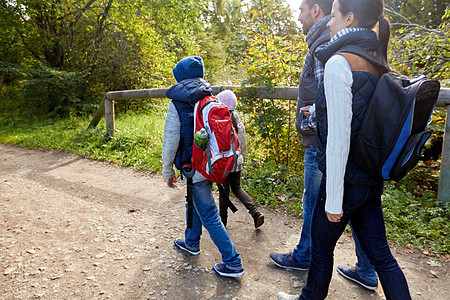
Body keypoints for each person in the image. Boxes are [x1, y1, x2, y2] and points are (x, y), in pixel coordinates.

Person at [278, 0, 412, 299]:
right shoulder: (375, 59)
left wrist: (334, 201)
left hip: (345, 180)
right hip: (369, 177)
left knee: (321, 251)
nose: (328, 22)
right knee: (383, 258)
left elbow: (339, 139)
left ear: (350, 18)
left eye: (335, 15)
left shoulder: (340, 61)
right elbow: (360, 117)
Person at [270, 0, 378, 292]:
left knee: (317, 206)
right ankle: (367, 269)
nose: (298, 16)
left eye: (301, 10)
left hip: (324, 145)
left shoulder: (325, 45)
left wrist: (312, 128)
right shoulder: (347, 45)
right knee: (354, 210)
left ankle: (305, 255)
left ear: (315, 10)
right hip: (347, 153)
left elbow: (331, 104)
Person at [162, 56, 244, 278]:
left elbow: (170, 141)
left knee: (208, 213)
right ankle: (191, 241)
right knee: (194, 202)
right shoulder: (210, 98)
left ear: (180, 79)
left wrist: (167, 170)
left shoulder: (177, 104)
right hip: (210, 163)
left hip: (192, 167)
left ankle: (232, 262)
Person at [215, 90, 264, 229]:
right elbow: (242, 141)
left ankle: (222, 222)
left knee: (224, 192)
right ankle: (255, 212)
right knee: (237, 188)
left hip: (224, 162)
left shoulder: (219, 120)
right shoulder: (236, 117)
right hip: (237, 161)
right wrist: (242, 156)